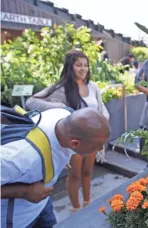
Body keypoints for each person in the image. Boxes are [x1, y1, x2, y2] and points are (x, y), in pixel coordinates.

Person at [26, 50, 110, 213]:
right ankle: (76, 208)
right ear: (70, 67)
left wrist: (104, 121)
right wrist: (61, 108)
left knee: (87, 172)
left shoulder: (92, 87)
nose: (83, 69)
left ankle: (87, 202)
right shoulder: (62, 88)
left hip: (91, 138)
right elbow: (31, 102)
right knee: (75, 175)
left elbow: (101, 108)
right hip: (75, 140)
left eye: (86, 65)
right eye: (78, 65)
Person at [1, 107, 110, 228]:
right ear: (74, 143)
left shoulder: (63, 115)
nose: (100, 149)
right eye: (97, 146)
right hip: (18, 221)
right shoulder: (21, 156)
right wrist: (24, 192)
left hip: (42, 206)